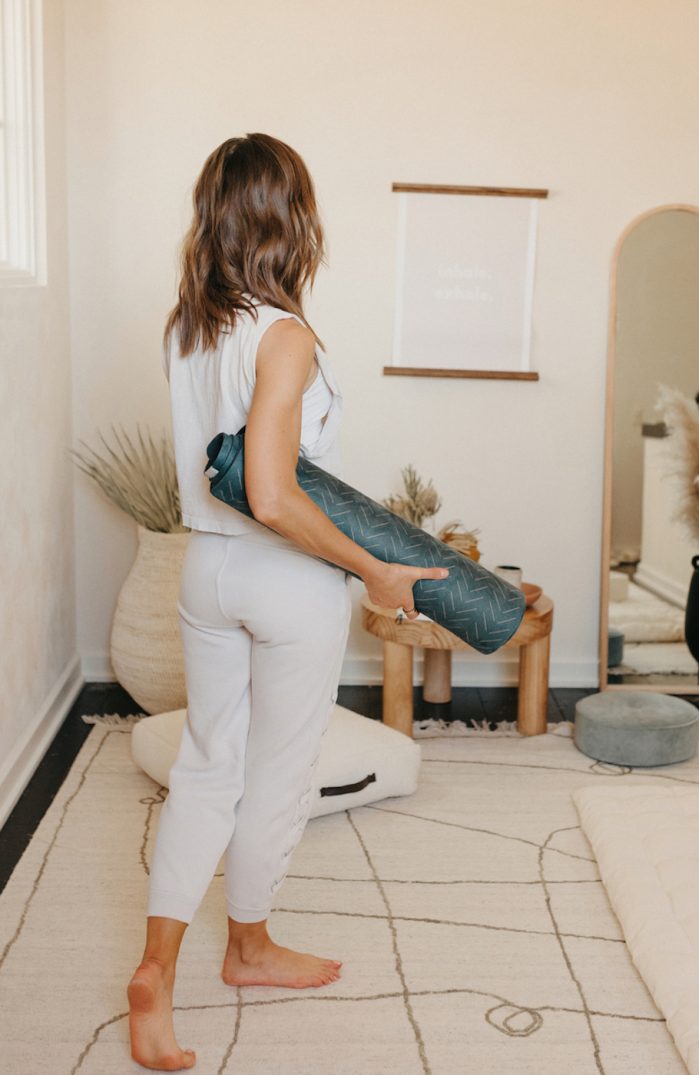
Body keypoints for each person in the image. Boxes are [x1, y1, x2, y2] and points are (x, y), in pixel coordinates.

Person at [125, 132, 449, 1071]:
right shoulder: (285, 335)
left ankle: (156, 967)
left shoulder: (187, 328)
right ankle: (249, 945)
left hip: (205, 570)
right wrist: (375, 570)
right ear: (291, 221)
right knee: (279, 772)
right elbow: (272, 492)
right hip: (283, 578)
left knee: (205, 763)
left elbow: (228, 480)